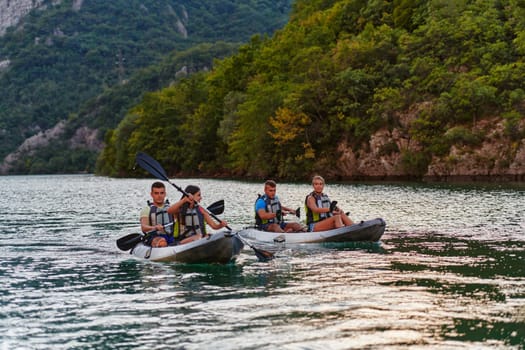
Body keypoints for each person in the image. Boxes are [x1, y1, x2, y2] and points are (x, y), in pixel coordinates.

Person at [140, 181, 175, 247]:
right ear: (151, 194)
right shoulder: (147, 210)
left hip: (170, 236)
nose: (159, 196)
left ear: (165, 194)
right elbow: (143, 227)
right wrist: (154, 227)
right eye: (156, 193)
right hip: (154, 237)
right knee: (162, 242)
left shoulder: (171, 208)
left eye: (161, 193)